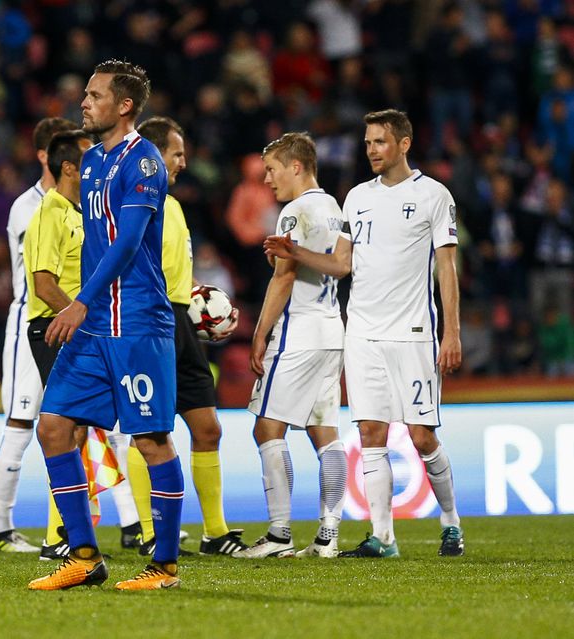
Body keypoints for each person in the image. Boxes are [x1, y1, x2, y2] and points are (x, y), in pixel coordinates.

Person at [265, 109, 465, 558]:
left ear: (404, 144)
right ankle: (383, 537)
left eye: (379, 141)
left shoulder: (434, 195)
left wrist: (451, 332)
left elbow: (446, 268)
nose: (371, 149)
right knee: (371, 432)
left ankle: (451, 521)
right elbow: (342, 263)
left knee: (421, 437)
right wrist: (294, 251)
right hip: (362, 333)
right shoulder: (355, 197)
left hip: (414, 333)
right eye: (368, 142)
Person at [28, 59, 183, 591]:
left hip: (137, 321)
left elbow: (127, 243)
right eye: (84, 95)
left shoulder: (144, 165)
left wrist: (79, 303)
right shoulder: (91, 163)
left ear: (124, 106)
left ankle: (164, 567)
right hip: (96, 327)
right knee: (52, 427)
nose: (83, 103)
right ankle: (85, 556)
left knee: (152, 440)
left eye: (94, 96)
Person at [231, 132, 348, 559]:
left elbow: (283, 277)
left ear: (296, 166)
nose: (267, 180)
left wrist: (259, 333)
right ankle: (328, 536)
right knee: (325, 432)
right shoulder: (333, 207)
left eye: (273, 170)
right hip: (332, 330)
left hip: (298, 332)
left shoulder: (294, 211)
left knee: (266, 426)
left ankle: (279, 535)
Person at [133, 115, 246, 556]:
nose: (183, 161)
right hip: (149, 323)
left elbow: (171, 273)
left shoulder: (173, 205)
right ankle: (148, 533)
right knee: (151, 430)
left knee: (208, 428)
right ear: (154, 155)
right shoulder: (134, 203)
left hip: (181, 324)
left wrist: (202, 307)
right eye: (176, 153)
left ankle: (214, 534)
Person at [0, 116, 75, 555]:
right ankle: (3, 529)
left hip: (67, 320)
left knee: (81, 423)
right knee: (23, 422)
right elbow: (43, 275)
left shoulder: (74, 204)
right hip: (33, 320)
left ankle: (130, 524)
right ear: (47, 156)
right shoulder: (29, 207)